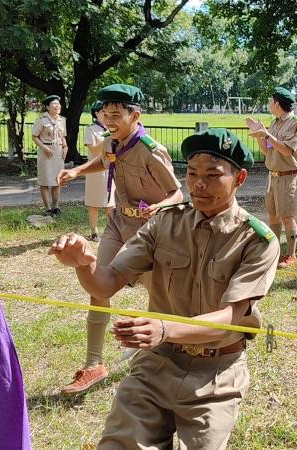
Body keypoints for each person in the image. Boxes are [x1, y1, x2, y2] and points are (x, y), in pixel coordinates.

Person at [49, 128, 279, 448]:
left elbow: (231, 316)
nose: (199, 183)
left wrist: (164, 327)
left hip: (216, 376)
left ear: (240, 178)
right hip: (156, 365)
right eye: (193, 173)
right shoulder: (164, 223)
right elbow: (105, 283)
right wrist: (83, 265)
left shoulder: (256, 240)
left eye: (213, 175)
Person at [55, 84, 183, 394]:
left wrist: (159, 206)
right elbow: (106, 161)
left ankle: (164, 350)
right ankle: (94, 363)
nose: (108, 120)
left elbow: (177, 192)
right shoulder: (113, 141)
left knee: (160, 295)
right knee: (99, 283)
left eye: (115, 114)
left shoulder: (152, 150)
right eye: (104, 114)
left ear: (134, 115)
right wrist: (77, 171)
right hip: (117, 221)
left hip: (149, 231)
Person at [247, 87, 297, 268]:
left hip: (288, 177)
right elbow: (267, 150)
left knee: (287, 217)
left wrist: (267, 134)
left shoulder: (296, 123)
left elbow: (287, 150)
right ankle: (275, 250)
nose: (269, 105)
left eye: (271, 102)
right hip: (272, 176)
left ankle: (291, 254)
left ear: (278, 103)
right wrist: (259, 135)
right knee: (273, 215)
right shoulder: (275, 123)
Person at [83, 100, 115, 242]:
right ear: (96, 113)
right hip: (95, 170)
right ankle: (94, 231)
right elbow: (94, 150)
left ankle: (112, 230)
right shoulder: (91, 129)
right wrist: (107, 137)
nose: (106, 115)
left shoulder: (112, 127)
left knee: (111, 202)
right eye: (103, 112)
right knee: (94, 202)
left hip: (111, 168)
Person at [31, 95, 68, 216]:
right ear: (47, 107)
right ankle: (47, 208)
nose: (58, 106)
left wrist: (65, 147)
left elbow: (62, 136)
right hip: (46, 152)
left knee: (57, 180)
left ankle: (56, 207)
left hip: (58, 152)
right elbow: (34, 136)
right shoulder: (42, 120)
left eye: (59, 104)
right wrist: (44, 147)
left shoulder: (62, 120)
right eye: (54, 104)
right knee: (45, 181)